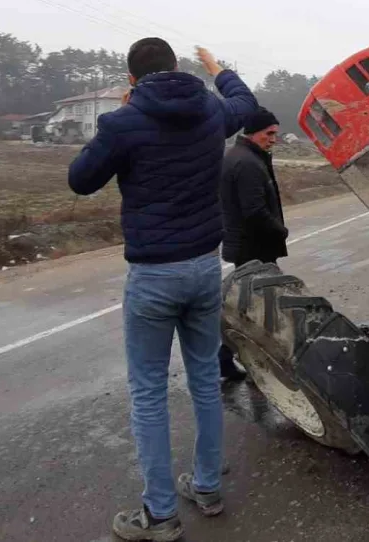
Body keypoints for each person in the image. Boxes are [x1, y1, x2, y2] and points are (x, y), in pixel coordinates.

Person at [68, 37, 259, 542]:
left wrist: (120, 121)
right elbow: (246, 103)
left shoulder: (124, 122)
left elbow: (80, 180)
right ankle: (208, 488)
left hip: (154, 276)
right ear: (177, 68)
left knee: (149, 392)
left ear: (132, 79)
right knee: (203, 382)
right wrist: (218, 67)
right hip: (203, 269)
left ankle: (160, 515)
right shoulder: (211, 112)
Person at [220, 109, 288, 267]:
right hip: (253, 250)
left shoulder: (241, 156)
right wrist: (281, 231)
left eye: (275, 134)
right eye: (269, 133)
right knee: (260, 289)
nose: (273, 140)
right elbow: (254, 211)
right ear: (253, 132)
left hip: (249, 247)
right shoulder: (247, 163)